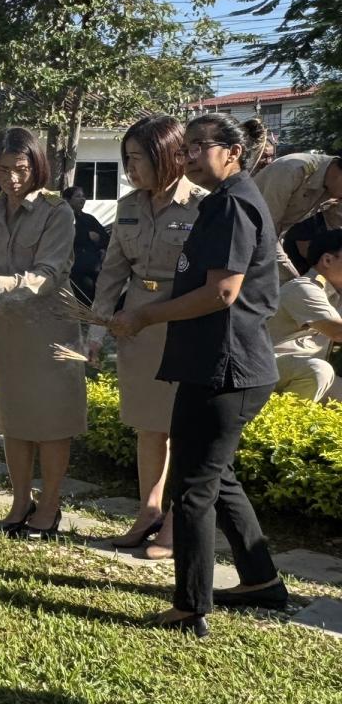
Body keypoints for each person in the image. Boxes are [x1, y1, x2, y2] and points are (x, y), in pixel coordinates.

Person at [110, 115, 286, 636]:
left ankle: (190, 607)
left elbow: (222, 292)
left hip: (225, 367)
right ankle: (260, 581)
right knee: (216, 476)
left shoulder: (232, 203)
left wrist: (145, 314)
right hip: (224, 363)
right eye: (184, 148)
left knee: (192, 488)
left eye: (197, 148)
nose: (186, 157)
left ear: (232, 151)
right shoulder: (227, 199)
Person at [0, 127, 85, 539]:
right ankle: (19, 499)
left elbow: (48, 275)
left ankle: (49, 503)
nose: (12, 178)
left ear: (37, 168)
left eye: (22, 169)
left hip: (51, 326)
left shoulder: (56, 212)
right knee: (14, 419)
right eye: (4, 168)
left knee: (51, 419)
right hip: (9, 327)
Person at [87, 115, 204, 556]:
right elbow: (113, 271)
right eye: (126, 159)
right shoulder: (130, 206)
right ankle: (148, 511)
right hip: (136, 325)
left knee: (179, 427)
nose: (129, 169)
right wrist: (98, 330)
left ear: (166, 156)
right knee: (147, 427)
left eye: (137, 159)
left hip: (180, 326)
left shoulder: (202, 204)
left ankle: (175, 523)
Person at [267, 229, 342, 402]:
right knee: (320, 370)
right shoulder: (304, 288)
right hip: (270, 367)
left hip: (304, 372)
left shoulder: (336, 295)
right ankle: (283, 425)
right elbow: (337, 331)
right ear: (327, 260)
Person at [253, 150, 342, 280]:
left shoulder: (335, 188)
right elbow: (263, 233)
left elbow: (336, 238)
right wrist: (294, 281)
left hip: (267, 243)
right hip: (236, 239)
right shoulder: (291, 170)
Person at [61, 185, 108, 305]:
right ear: (67, 200)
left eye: (83, 196)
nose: (82, 199)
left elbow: (105, 237)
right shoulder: (61, 219)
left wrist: (102, 248)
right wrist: (87, 235)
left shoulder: (89, 218)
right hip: (74, 268)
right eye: (78, 196)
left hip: (94, 266)